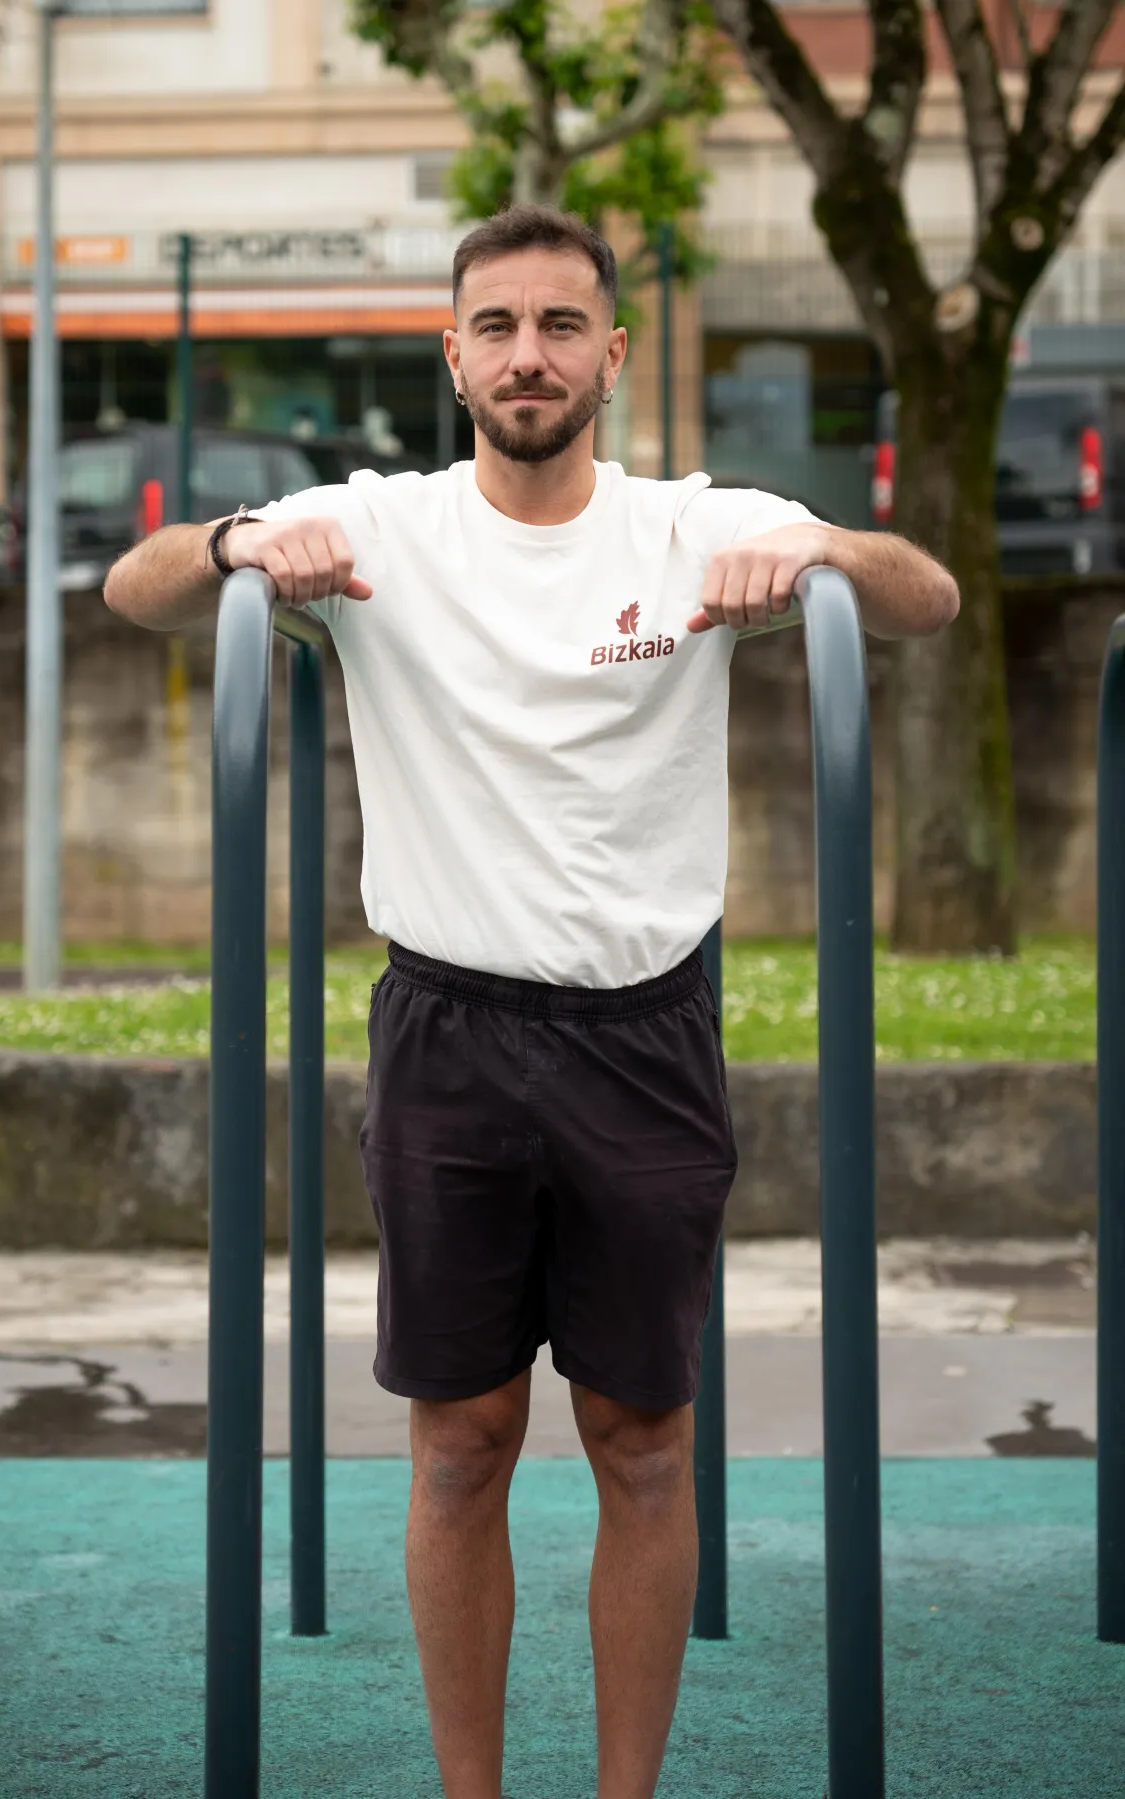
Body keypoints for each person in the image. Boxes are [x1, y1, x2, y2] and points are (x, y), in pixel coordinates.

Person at [105, 204, 958, 1799]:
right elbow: (132, 585)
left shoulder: (694, 525)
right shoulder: (382, 525)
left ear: (612, 355)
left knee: (642, 1439)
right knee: (460, 1441)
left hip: (644, 1032)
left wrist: (832, 551)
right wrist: (235, 546)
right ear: (453, 356)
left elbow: (932, 598)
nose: (528, 356)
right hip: (448, 1032)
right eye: (496, 327)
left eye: (561, 326)